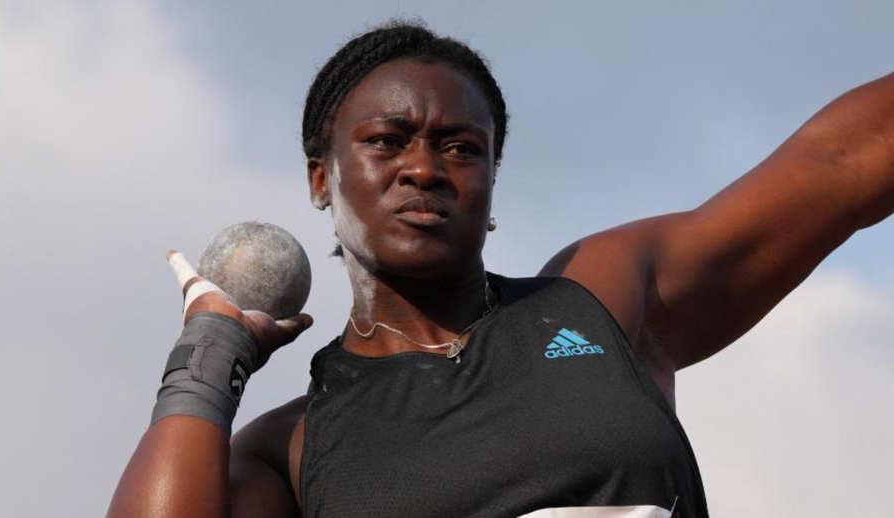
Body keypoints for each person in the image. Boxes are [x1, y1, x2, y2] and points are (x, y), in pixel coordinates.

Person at [107, 21, 894, 518]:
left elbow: (840, 163)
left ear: (490, 182)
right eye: (387, 141)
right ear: (322, 178)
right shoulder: (294, 449)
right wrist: (208, 357)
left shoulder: (598, 299)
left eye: (461, 148)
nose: (425, 169)